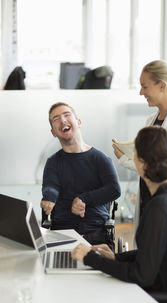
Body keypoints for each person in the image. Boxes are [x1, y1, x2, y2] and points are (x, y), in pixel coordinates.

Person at [72, 126, 167, 303]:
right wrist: (116, 257)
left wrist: (90, 258)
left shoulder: (160, 207)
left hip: (166, 297)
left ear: (141, 163)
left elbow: (142, 275)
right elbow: (153, 253)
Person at [112, 59, 167, 239]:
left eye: (145, 87)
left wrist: (125, 160)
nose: (141, 92)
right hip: (149, 199)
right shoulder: (150, 120)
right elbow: (147, 161)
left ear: (162, 86)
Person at [40, 102, 121, 249]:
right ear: (53, 132)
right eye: (56, 119)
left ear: (78, 122)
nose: (63, 120)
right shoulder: (53, 162)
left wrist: (84, 199)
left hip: (96, 237)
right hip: (62, 237)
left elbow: (114, 189)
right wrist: (49, 198)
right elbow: (50, 186)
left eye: (66, 115)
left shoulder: (100, 159)